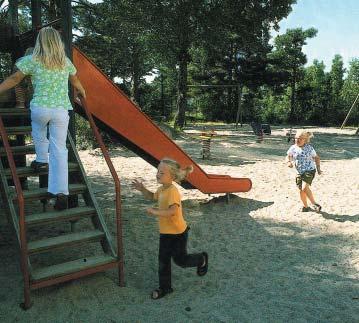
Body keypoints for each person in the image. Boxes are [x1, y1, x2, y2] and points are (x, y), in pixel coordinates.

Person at [0, 27, 86, 210]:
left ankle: (41, 159)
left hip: (41, 108)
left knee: (38, 132)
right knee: (60, 150)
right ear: (57, 42)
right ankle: (61, 191)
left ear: (40, 41)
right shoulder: (65, 61)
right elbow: (75, 80)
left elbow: (15, 79)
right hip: (61, 110)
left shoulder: (32, 60)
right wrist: (82, 92)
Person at [132, 158, 208, 300]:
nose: (158, 174)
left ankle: (201, 259)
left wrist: (156, 212)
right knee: (163, 261)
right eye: (158, 171)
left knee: (181, 261)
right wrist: (142, 189)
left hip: (178, 233)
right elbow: (152, 197)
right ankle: (165, 288)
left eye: (162, 172)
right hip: (166, 233)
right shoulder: (162, 189)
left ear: (172, 177)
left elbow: (172, 211)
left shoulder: (173, 191)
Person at [285, 130, 322, 212]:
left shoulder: (309, 148)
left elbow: (317, 158)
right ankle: (305, 207)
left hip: (309, 170)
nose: (297, 140)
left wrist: (318, 168)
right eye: (296, 138)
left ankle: (314, 204)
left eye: (300, 139)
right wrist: (288, 162)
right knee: (301, 191)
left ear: (305, 140)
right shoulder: (293, 148)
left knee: (305, 188)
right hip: (299, 172)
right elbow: (288, 156)